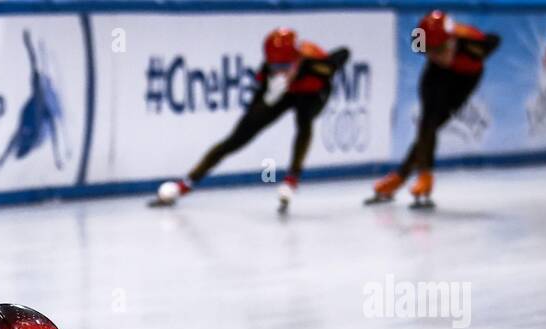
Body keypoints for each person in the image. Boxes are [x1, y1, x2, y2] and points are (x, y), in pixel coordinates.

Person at [153, 28, 350, 213]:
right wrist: (267, 98)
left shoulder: (315, 64)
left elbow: (344, 53)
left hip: (313, 94)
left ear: (297, 60)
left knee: (303, 120)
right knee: (237, 138)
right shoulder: (267, 72)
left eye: (284, 66)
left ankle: (292, 178)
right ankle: (186, 184)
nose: (279, 71)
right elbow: (253, 112)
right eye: (275, 66)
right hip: (284, 93)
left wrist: (321, 61)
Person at [367, 10, 500, 207]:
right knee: (427, 123)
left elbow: (495, 40)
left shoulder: (474, 45)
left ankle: (401, 177)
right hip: (437, 75)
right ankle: (423, 176)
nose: (436, 55)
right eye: (429, 50)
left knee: (434, 123)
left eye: (440, 49)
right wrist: (435, 53)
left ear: (453, 41)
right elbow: (426, 50)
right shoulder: (423, 45)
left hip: (466, 78)